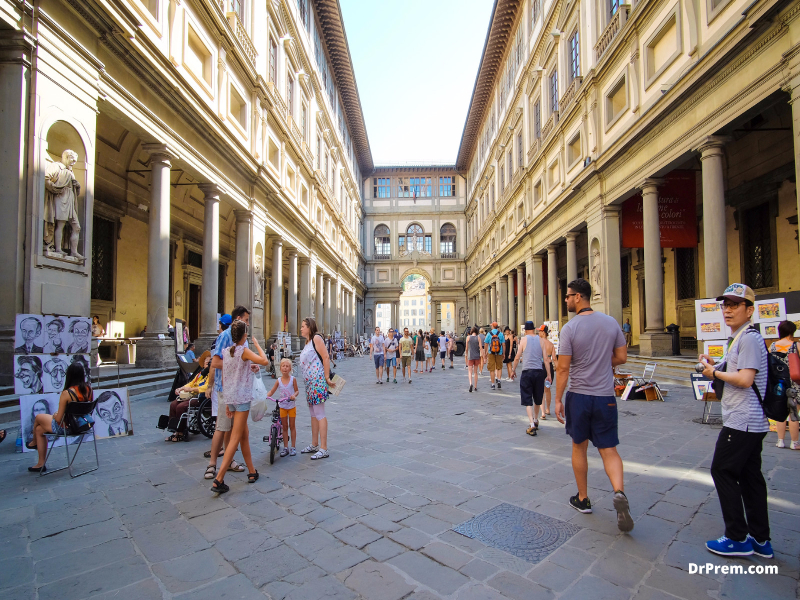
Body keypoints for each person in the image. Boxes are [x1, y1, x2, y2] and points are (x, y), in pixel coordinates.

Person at [699, 283, 772, 558]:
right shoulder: (741, 337)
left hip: (743, 420)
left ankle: (736, 537)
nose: (727, 310)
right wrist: (712, 365)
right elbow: (735, 369)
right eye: (724, 305)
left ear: (749, 310)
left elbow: (744, 379)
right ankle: (761, 540)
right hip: (750, 421)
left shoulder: (749, 338)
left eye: (734, 305)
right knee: (751, 477)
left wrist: (715, 375)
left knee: (722, 470)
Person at [554, 278, 632, 533]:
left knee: (579, 447)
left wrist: (557, 399)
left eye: (568, 296)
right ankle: (619, 491)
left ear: (579, 297)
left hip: (579, 395)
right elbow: (621, 356)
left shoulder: (570, 328)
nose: (566, 299)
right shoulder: (611, 322)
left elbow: (563, 368)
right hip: (605, 397)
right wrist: (601, 361)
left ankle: (583, 498)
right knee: (609, 449)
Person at [210, 321, 269, 494]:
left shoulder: (227, 352)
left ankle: (251, 471)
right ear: (244, 336)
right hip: (242, 399)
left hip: (232, 398)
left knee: (244, 435)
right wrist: (258, 345)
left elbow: (227, 377)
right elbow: (265, 361)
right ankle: (219, 479)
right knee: (235, 438)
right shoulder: (243, 350)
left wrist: (228, 402)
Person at [204, 309, 254, 481]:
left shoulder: (242, 339)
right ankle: (212, 464)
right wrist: (235, 364)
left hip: (238, 390)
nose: (248, 323)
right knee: (222, 427)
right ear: (238, 319)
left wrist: (247, 366)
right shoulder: (225, 336)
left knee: (236, 430)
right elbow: (215, 362)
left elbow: (244, 360)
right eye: (246, 320)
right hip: (225, 387)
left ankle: (233, 463)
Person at [27, 362, 92, 473]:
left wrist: (55, 415)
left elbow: (58, 420)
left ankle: (33, 443)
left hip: (67, 428)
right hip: (83, 426)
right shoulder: (88, 389)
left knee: (38, 417)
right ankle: (40, 464)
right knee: (39, 430)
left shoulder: (67, 393)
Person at [299, 317, 334, 460]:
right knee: (313, 414)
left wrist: (326, 377)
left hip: (318, 381)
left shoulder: (316, 338)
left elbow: (326, 357)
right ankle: (314, 444)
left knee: (320, 414)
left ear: (309, 327)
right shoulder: (307, 342)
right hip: (310, 384)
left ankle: (323, 448)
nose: (300, 328)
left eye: (303, 326)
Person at [512, 321, 551, 436]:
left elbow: (517, 356)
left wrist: (513, 370)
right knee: (538, 398)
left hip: (527, 372)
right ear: (534, 329)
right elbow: (546, 359)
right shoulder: (541, 340)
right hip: (539, 372)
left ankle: (531, 424)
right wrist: (548, 374)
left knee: (527, 398)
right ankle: (535, 419)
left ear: (525, 330)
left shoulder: (523, 340)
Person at [166, 355, 211, 442]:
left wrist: (191, 389)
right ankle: (174, 430)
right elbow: (190, 383)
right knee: (173, 404)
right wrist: (181, 388)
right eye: (206, 360)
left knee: (181, 407)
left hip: (200, 397)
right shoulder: (200, 374)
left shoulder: (211, 374)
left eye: (209, 360)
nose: (207, 361)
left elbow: (206, 387)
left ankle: (181, 431)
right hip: (191, 395)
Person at [769, 320, 799, 450]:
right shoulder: (796, 345)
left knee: (781, 411)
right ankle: (794, 442)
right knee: (793, 413)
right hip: (794, 383)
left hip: (779, 383)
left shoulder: (773, 346)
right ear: (792, 331)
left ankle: (780, 441)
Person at [268, 358, 299, 457]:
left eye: (287, 366)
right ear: (280, 368)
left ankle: (293, 447)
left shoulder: (293, 379)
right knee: (284, 427)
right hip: (282, 406)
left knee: (292, 426)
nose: (285, 368)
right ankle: (286, 447)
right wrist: (266, 395)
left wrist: (294, 395)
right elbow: (272, 391)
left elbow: (297, 390)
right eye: (283, 366)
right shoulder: (278, 381)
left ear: (290, 368)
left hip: (291, 406)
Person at [539, 325, 557, 420]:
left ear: (543, 332)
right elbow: (554, 358)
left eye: (540, 331)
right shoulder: (551, 344)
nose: (538, 333)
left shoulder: (539, 343)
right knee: (548, 389)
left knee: (541, 390)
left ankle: (542, 413)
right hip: (549, 367)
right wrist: (557, 368)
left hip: (541, 366)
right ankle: (548, 409)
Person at [485, 322, 506, 390]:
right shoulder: (500, 334)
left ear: (492, 327)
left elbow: (486, 344)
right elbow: (503, 344)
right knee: (499, 367)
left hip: (491, 353)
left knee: (492, 369)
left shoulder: (489, 334)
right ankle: (499, 380)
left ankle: (493, 384)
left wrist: (485, 352)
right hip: (499, 352)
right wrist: (504, 353)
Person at [466, 327, 481, 392]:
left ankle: (470, 383)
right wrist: (483, 356)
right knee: (475, 372)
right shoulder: (478, 337)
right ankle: (475, 386)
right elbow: (480, 347)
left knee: (470, 371)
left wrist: (466, 354)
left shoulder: (468, 337)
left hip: (470, 356)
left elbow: (466, 348)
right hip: (477, 356)